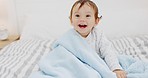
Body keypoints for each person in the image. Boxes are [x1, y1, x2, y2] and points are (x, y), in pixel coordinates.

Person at [69, 0, 127, 78]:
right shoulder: (69, 38)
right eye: (77, 16)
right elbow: (63, 55)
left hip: (96, 65)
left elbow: (108, 52)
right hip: (78, 68)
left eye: (87, 16)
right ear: (71, 20)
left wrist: (115, 68)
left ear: (96, 21)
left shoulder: (98, 35)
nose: (82, 19)